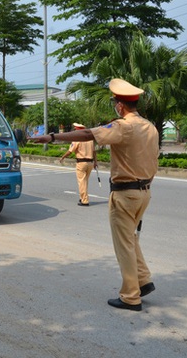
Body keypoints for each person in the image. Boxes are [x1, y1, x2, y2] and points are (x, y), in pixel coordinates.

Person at [31, 79, 159, 312]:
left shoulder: (123, 126)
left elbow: (89, 134)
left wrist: (52, 137)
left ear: (120, 106)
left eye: (115, 104)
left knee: (124, 245)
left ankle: (131, 296)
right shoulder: (150, 127)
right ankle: (143, 279)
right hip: (144, 192)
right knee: (131, 238)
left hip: (126, 193)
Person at [60, 123, 97, 206]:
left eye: (75, 129)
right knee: (85, 182)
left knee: (82, 182)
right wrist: (96, 162)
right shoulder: (90, 139)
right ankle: (82, 197)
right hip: (90, 163)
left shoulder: (77, 139)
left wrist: (63, 157)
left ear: (78, 130)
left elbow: (70, 151)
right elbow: (94, 152)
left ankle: (84, 200)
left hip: (82, 163)